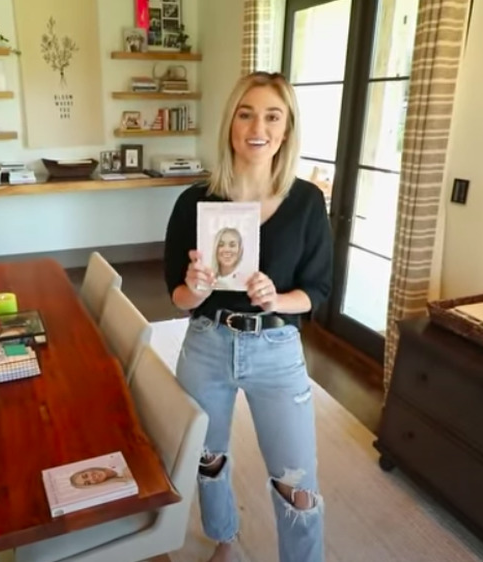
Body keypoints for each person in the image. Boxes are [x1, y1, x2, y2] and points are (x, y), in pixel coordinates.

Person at [163, 71, 332, 562]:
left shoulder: (306, 202)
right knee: (207, 456)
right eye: (246, 113)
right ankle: (224, 539)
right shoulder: (194, 201)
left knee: (295, 477)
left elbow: (316, 291)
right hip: (207, 342)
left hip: (276, 350)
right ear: (231, 123)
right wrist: (194, 289)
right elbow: (176, 296)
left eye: (272, 116)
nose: (258, 126)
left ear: (286, 130)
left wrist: (276, 298)